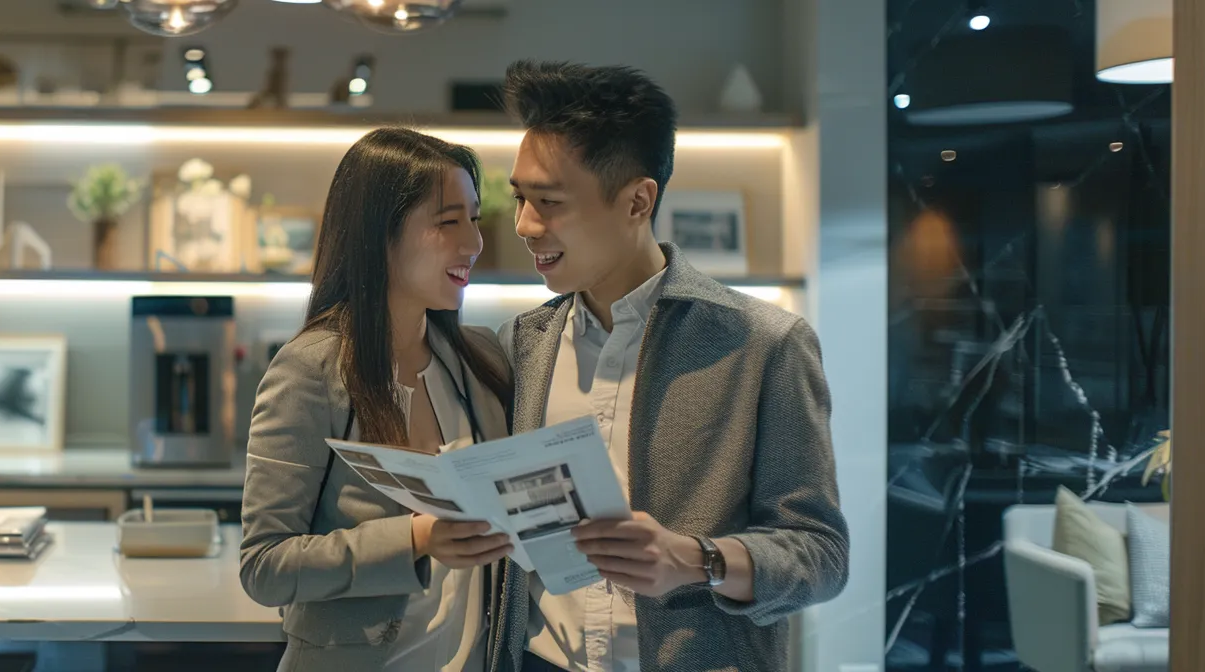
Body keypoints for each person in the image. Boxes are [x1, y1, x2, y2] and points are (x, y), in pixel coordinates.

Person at [486, 61, 850, 671]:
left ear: (637, 200)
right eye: (521, 198)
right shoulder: (523, 341)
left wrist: (696, 559)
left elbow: (822, 558)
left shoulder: (765, 343)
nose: (524, 225)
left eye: (549, 202)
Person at [239, 127, 519, 670]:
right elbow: (264, 566)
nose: (474, 243)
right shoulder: (311, 368)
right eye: (448, 222)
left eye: (475, 218)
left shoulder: (480, 359)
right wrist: (416, 536)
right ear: (379, 236)